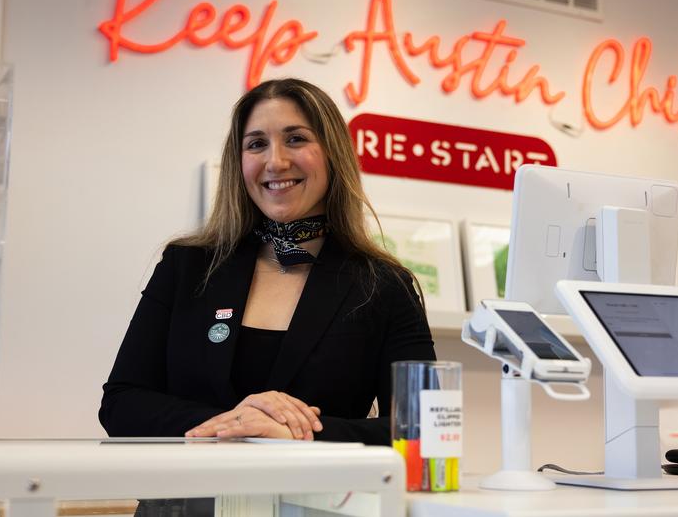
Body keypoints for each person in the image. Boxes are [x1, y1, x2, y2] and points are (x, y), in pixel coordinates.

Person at [99, 78, 435, 446]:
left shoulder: (383, 285)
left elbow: (423, 428)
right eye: (257, 144)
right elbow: (121, 403)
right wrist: (236, 421)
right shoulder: (186, 266)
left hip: (318, 503)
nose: (276, 161)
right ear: (238, 162)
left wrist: (297, 434)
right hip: (185, 503)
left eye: (296, 139)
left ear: (332, 153)